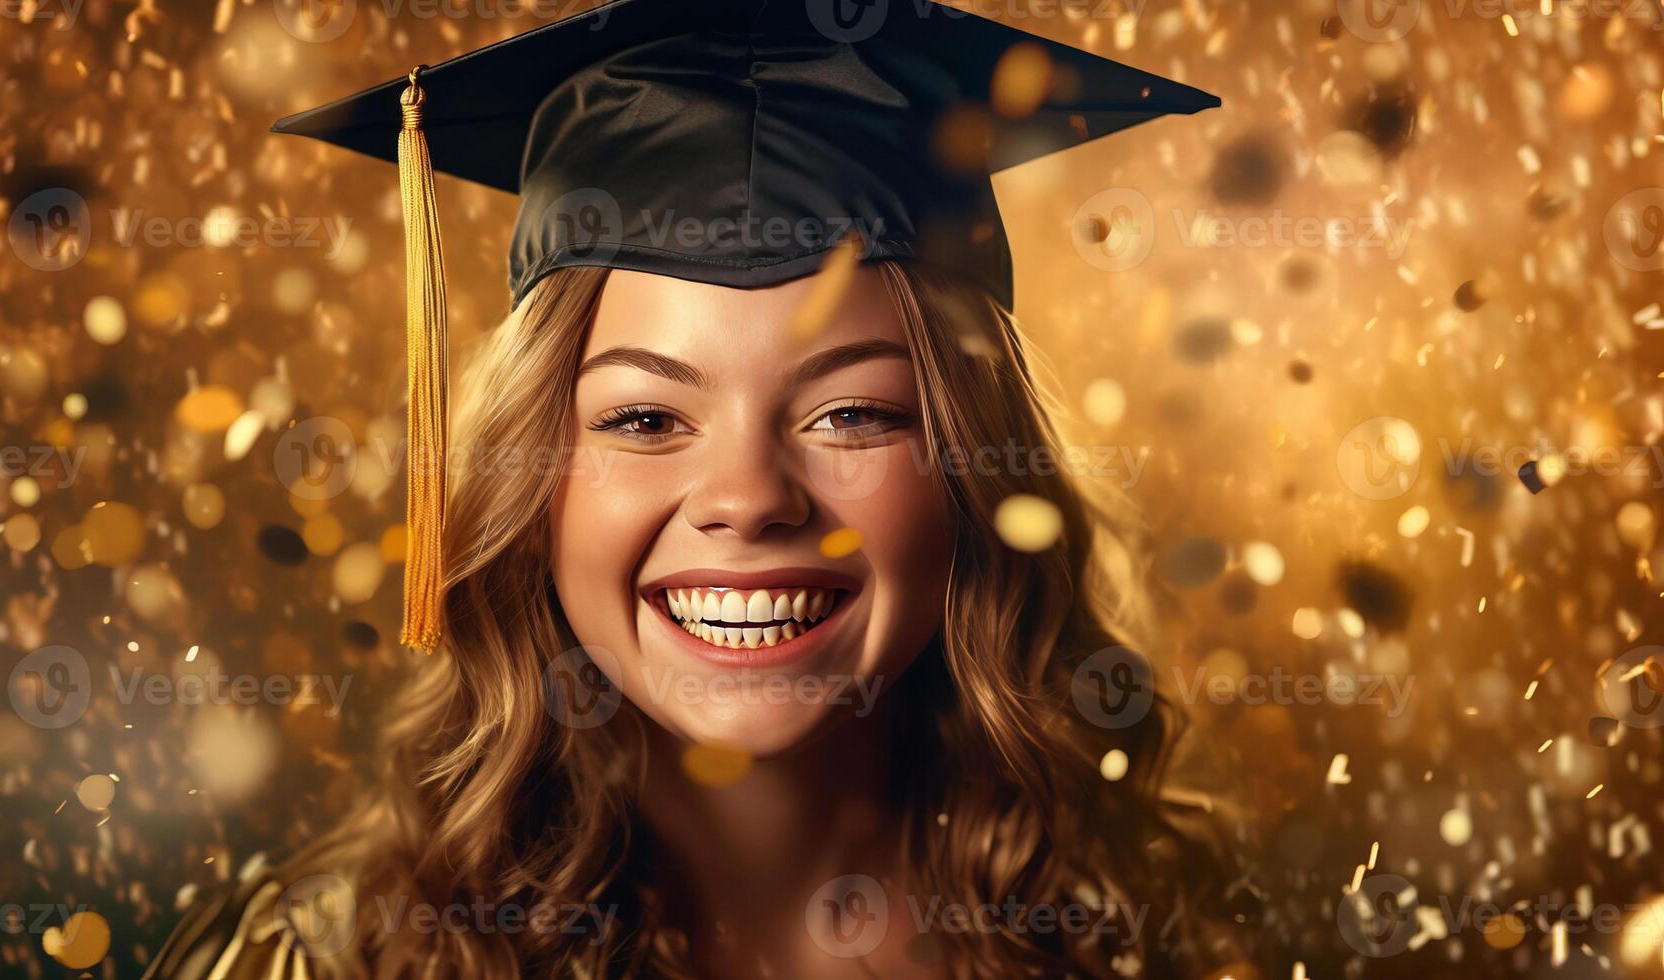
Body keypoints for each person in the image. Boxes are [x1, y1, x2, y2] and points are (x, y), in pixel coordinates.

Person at [146, 0, 1234, 976]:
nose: (749, 496)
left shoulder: (1141, 934)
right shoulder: (325, 959)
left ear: (975, 469)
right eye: (645, 418)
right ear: (532, 483)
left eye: (853, 413)